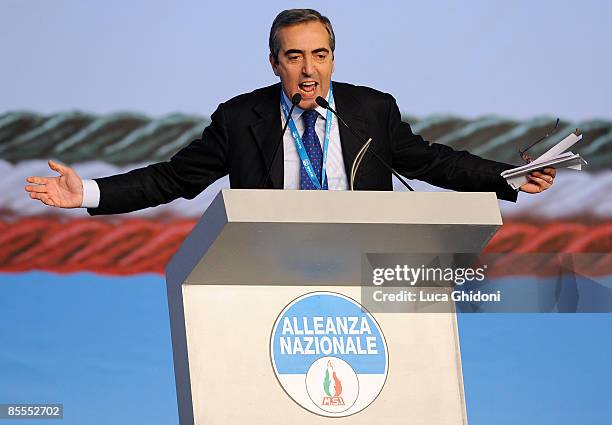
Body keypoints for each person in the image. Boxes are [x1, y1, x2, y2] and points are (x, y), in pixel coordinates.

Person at [25, 9, 555, 215]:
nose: (309, 70)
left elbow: (431, 162)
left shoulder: (371, 110)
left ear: (332, 59)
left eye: (319, 55)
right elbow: (173, 178)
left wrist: (505, 176)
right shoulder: (241, 118)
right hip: (271, 266)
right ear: (274, 63)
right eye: (294, 56)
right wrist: (89, 192)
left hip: (367, 262)